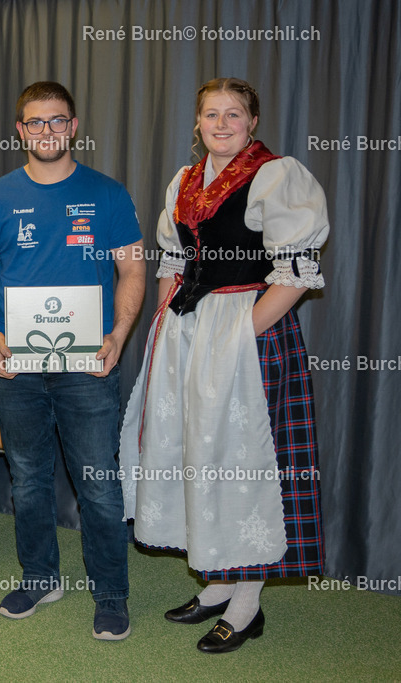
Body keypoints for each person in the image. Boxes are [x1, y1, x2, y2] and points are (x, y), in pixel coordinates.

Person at [119, 78, 329, 654]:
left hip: (247, 329)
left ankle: (246, 602)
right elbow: (175, 261)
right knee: (197, 450)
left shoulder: (275, 175)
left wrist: (240, 334)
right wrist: (164, 325)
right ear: (197, 123)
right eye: (211, 114)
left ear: (252, 121)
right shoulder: (185, 181)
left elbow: (295, 269)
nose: (221, 123)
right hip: (189, 332)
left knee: (240, 460)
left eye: (233, 114)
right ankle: (215, 583)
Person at [0, 81, 144, 639]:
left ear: (73, 126)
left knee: (97, 483)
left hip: (87, 368)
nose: (47, 132)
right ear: (20, 130)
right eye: (35, 123)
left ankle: (111, 593)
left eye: (57, 121)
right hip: (16, 367)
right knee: (29, 480)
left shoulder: (109, 194)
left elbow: (133, 270)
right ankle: (40, 576)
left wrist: (118, 334)